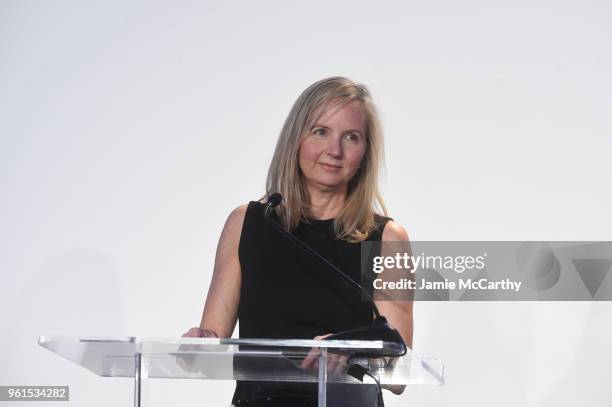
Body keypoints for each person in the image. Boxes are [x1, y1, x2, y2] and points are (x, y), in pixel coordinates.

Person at [183, 77, 413, 406]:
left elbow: (400, 369)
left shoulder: (388, 239)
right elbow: (212, 338)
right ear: (296, 138)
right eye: (320, 131)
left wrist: (350, 353)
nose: (334, 151)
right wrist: (199, 343)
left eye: (351, 137)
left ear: (365, 152)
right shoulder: (247, 223)